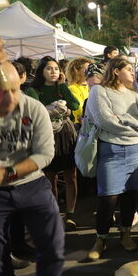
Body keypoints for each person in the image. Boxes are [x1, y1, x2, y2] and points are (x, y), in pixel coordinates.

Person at [0, 61, 71, 276]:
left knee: (54, 245)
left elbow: (45, 153)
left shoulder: (34, 108)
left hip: (32, 183)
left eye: (14, 88)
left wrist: (8, 172)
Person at [85, 57, 138, 260]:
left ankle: (126, 234)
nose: (132, 72)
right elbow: (105, 121)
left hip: (135, 151)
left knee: (130, 194)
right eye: (128, 68)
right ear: (116, 71)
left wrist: (125, 119)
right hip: (111, 150)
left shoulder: (134, 95)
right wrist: (133, 126)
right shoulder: (99, 91)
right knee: (108, 197)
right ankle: (100, 239)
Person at [26, 57, 80, 231]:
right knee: (50, 177)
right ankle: (54, 213)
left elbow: (75, 104)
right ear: (41, 71)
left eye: (56, 68)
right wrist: (54, 108)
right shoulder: (33, 89)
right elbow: (37, 109)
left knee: (71, 175)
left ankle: (70, 214)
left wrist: (63, 85)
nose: (53, 71)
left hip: (66, 134)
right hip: (46, 136)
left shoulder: (61, 87)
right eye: (49, 69)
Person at [64, 57, 92, 125]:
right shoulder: (73, 88)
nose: (90, 71)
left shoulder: (91, 85)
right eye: (86, 69)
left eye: (90, 68)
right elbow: (79, 110)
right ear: (76, 71)